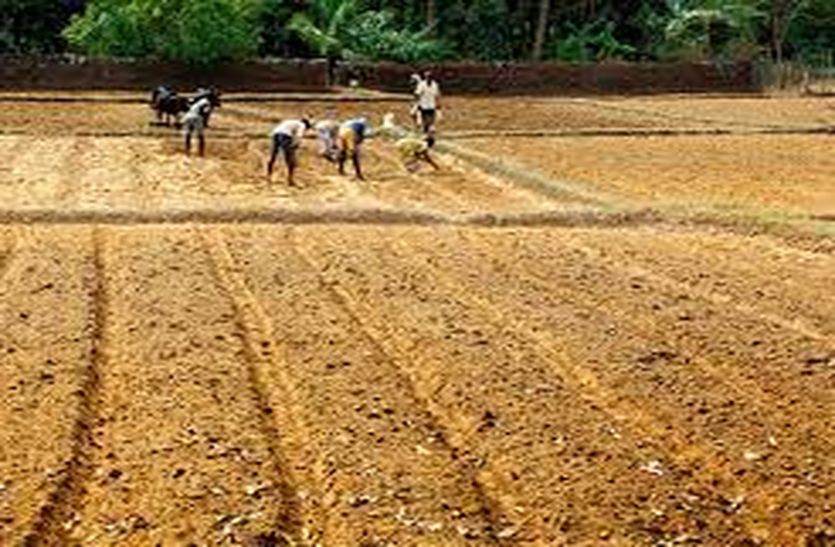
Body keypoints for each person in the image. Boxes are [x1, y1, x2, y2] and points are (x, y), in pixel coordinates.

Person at [267, 118, 312, 186]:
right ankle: (290, 180)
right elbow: (299, 136)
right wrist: (296, 145)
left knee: (273, 156)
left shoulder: (291, 122)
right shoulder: (302, 125)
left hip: (275, 134)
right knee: (290, 158)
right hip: (285, 136)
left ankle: (268, 177)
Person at [414, 70, 441, 136]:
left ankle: (429, 132)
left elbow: (437, 95)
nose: (429, 79)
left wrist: (438, 104)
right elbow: (417, 94)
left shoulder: (434, 85)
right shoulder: (422, 84)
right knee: (425, 120)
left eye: (430, 77)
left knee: (431, 120)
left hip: (431, 105)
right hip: (424, 105)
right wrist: (417, 102)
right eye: (427, 77)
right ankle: (426, 131)